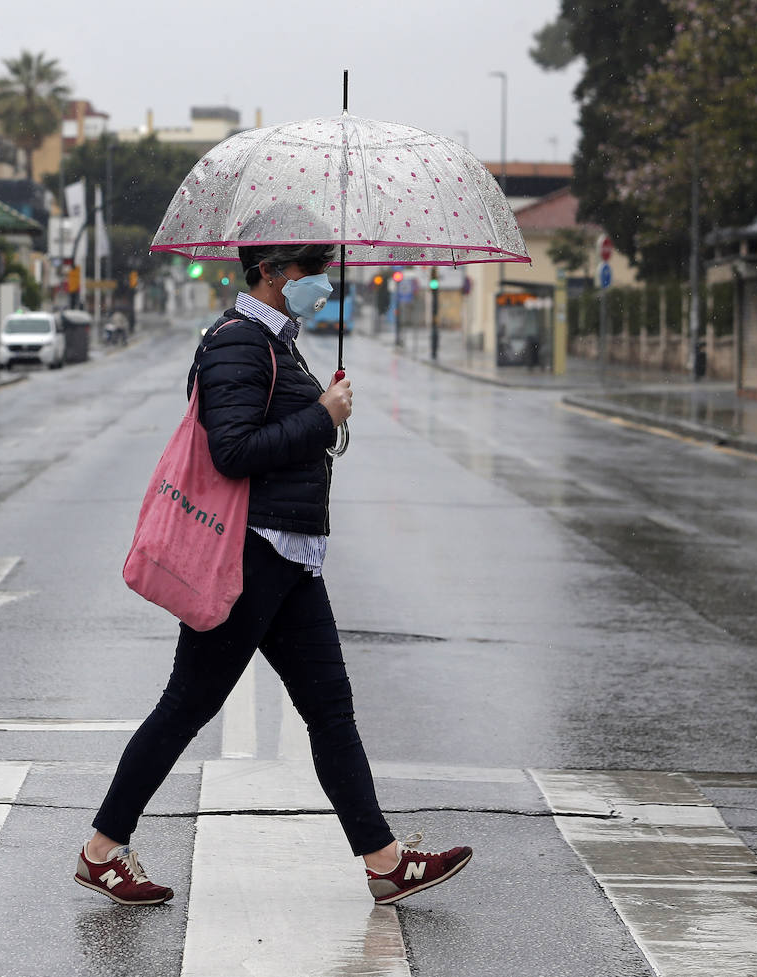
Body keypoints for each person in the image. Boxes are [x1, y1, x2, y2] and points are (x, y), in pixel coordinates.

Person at [74, 243, 472, 907]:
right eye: (311, 269)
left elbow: (278, 433)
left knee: (330, 709)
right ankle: (100, 850)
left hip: (289, 557)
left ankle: (385, 861)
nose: (321, 281)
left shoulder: (277, 343)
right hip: (249, 556)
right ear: (271, 272)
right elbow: (232, 452)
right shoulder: (237, 341)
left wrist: (321, 411)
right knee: (186, 705)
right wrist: (323, 416)